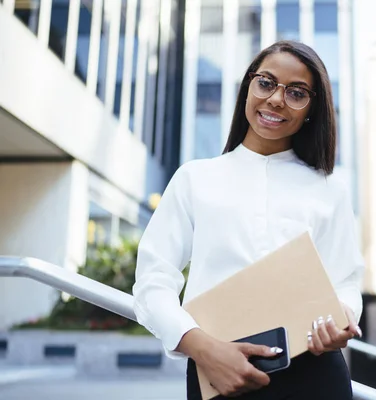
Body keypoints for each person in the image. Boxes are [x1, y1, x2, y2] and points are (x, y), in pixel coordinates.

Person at [132, 41, 364, 400]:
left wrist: (341, 318)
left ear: (311, 110)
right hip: (220, 371)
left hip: (315, 374)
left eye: (297, 92)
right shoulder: (195, 178)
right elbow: (152, 282)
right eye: (266, 83)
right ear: (248, 88)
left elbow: (345, 280)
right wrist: (203, 349)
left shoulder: (330, 188)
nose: (276, 99)